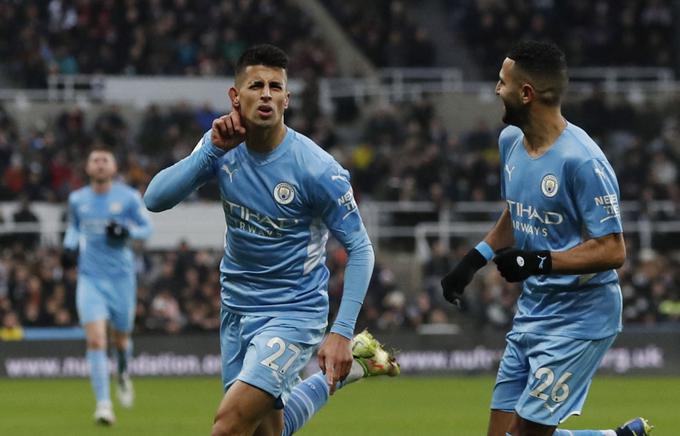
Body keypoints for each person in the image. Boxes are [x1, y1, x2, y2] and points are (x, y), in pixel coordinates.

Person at [143, 44, 399, 436]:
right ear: (235, 96)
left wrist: (341, 331)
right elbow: (155, 198)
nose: (266, 94)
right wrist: (210, 150)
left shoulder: (316, 169)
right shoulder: (220, 146)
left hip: (294, 311)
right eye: (256, 85)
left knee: (229, 426)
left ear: (286, 98)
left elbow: (361, 249)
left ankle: (353, 355)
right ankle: (359, 367)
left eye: (275, 87)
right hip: (236, 308)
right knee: (267, 432)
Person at [441, 41, 653, 436]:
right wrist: (473, 260)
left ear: (526, 93)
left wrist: (538, 261)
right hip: (533, 310)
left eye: (502, 82)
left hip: (581, 317)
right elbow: (517, 212)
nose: (495, 90)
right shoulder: (510, 143)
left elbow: (613, 249)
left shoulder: (583, 161)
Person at [62, 147, 152, 425]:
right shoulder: (77, 199)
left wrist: (127, 232)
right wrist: (69, 245)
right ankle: (103, 405)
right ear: (88, 168)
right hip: (90, 278)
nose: (100, 165)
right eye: (95, 160)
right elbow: (75, 227)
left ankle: (123, 373)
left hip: (122, 279)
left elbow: (147, 229)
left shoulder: (128, 197)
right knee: (96, 340)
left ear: (113, 168)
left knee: (121, 339)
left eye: (105, 160)